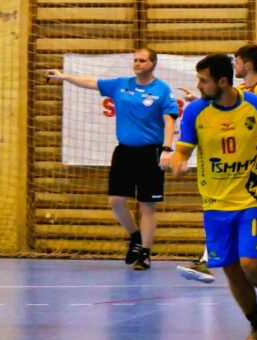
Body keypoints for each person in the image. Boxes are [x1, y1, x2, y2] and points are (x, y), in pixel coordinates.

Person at [170, 53, 257, 340]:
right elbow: (183, 149)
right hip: (214, 204)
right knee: (231, 269)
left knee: (250, 263)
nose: (199, 86)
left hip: (252, 198)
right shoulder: (195, 111)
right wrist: (177, 161)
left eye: (203, 80)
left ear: (223, 81)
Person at [46, 48, 178, 270]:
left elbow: (170, 121)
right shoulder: (121, 84)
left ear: (153, 64)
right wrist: (65, 76)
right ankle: (135, 237)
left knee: (147, 205)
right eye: (135, 60)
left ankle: (145, 254)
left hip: (151, 152)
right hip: (124, 152)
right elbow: (91, 82)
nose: (137, 63)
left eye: (142, 60)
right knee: (115, 201)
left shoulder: (162, 90)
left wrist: (166, 149)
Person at [178, 44, 257, 286]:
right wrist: (199, 101)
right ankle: (209, 261)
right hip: (236, 164)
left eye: (237, 62)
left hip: (256, 163)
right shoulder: (241, 90)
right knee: (228, 209)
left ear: (247, 64)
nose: (235, 66)